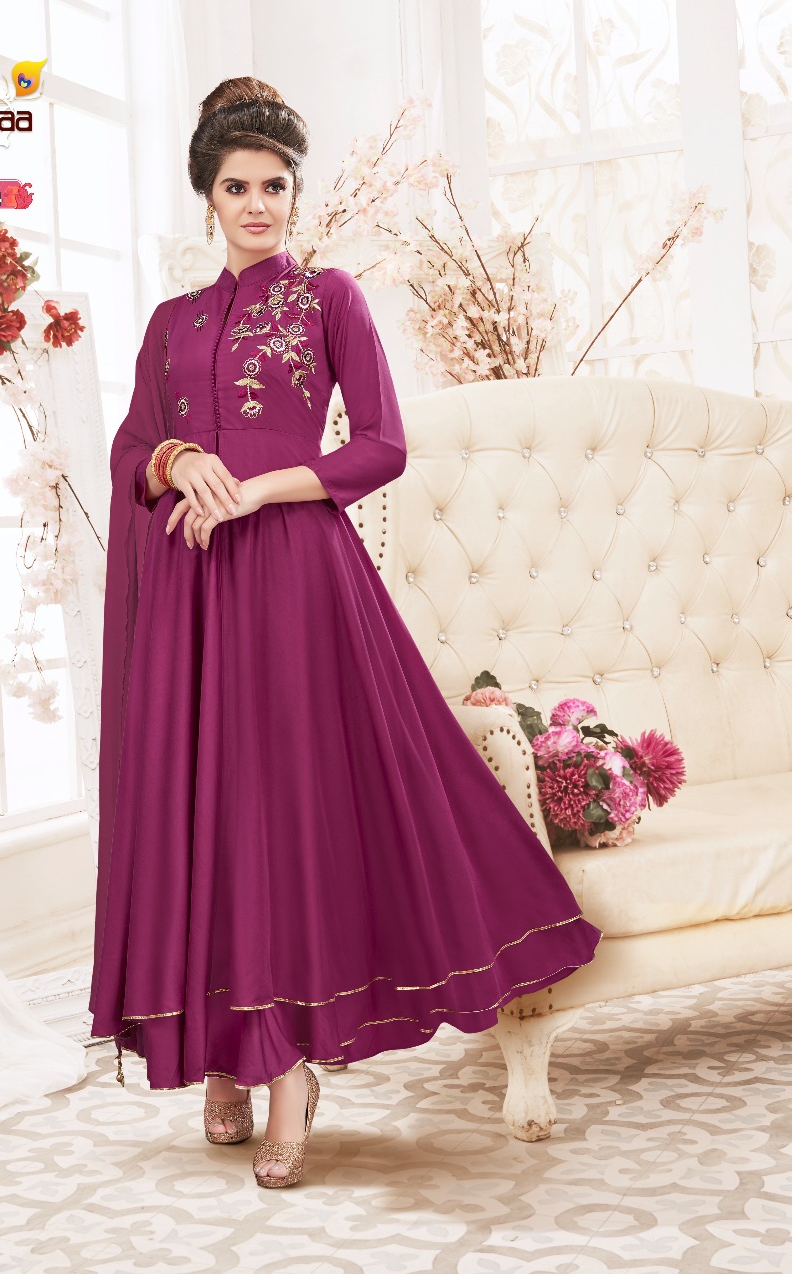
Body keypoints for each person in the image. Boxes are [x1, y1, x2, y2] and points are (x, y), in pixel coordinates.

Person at [88, 76, 603, 1190]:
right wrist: (177, 459)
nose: (257, 204)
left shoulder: (329, 299)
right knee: (205, 814)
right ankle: (222, 1052)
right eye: (237, 187)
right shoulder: (169, 324)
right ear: (207, 196)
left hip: (293, 582)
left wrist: (257, 488)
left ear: (294, 192)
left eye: (274, 186)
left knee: (279, 813)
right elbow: (131, 447)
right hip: (188, 594)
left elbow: (381, 444)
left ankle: (286, 1074)